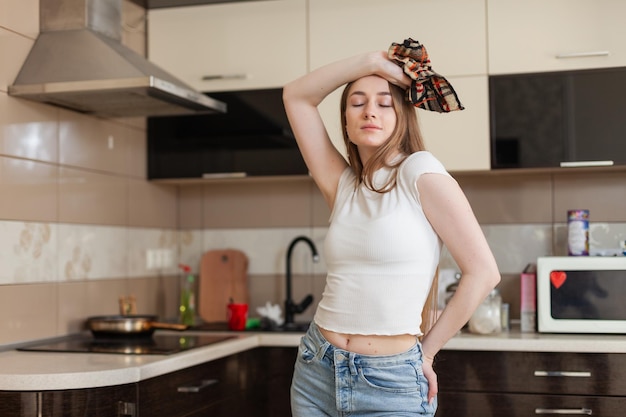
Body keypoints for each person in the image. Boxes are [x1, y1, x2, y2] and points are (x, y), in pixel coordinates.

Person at [282, 44, 501, 417]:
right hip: (316, 368)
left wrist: (427, 353)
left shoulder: (419, 171)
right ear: (346, 124)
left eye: (385, 102)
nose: (370, 111)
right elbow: (296, 97)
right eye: (357, 102)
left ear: (403, 116)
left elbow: (483, 273)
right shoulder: (343, 184)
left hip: (390, 380)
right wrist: (370, 61)